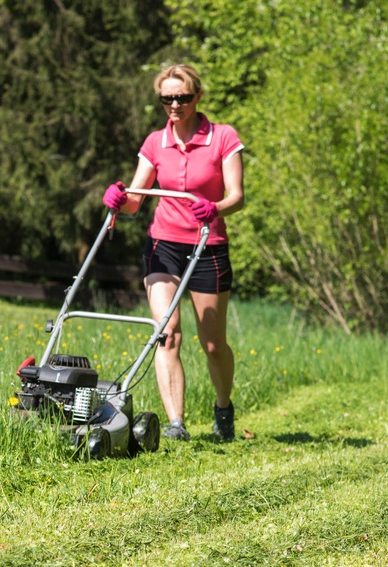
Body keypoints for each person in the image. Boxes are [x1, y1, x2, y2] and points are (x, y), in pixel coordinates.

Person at [103, 64, 244, 442]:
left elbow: (237, 196)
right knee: (166, 333)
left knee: (213, 344)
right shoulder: (154, 143)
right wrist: (118, 198)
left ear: (198, 96)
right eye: (167, 98)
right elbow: (136, 199)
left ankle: (223, 406)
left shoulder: (222, 137)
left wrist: (215, 208)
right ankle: (176, 423)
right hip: (163, 246)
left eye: (181, 97)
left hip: (207, 245)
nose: (174, 105)